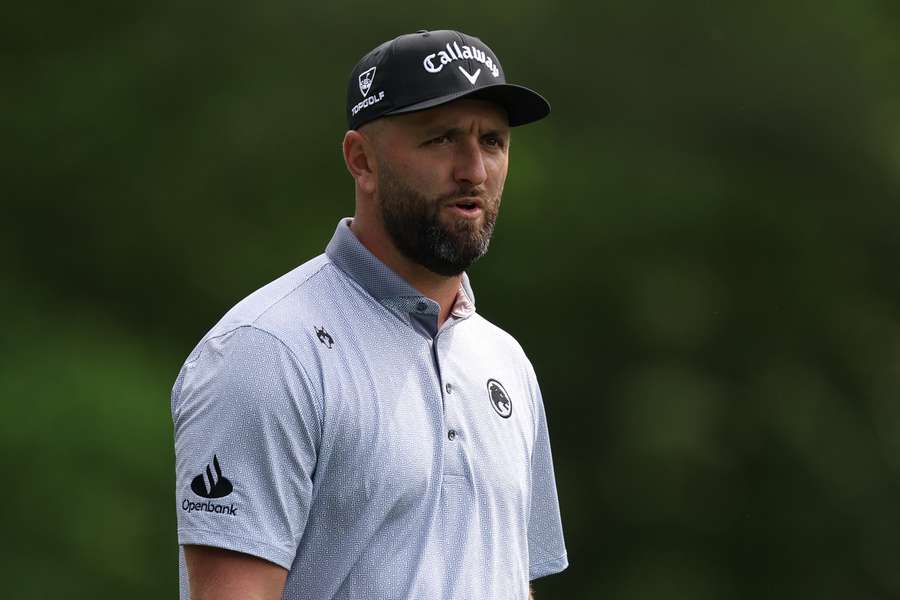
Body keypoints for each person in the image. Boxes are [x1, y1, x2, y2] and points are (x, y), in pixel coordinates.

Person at [171, 29, 567, 600]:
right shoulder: (266, 351)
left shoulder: (505, 362)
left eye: (493, 141)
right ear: (362, 161)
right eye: (442, 139)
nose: (474, 170)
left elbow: (509, 579)